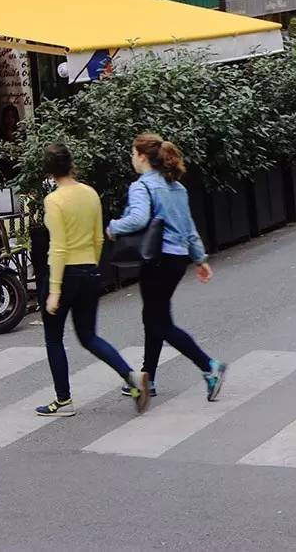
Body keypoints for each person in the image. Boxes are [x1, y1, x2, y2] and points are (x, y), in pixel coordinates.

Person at [107, 134, 227, 401]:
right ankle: (147, 378)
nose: (131, 159)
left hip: (158, 259)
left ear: (142, 157)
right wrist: (200, 259)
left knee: (159, 322)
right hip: (177, 260)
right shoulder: (176, 187)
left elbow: (137, 218)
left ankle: (209, 366)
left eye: (132, 153)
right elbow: (189, 227)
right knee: (155, 318)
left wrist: (113, 227)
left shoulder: (142, 186)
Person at [36, 144, 149, 417]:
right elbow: (98, 237)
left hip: (63, 274)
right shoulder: (89, 194)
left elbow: (59, 247)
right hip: (89, 270)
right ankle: (131, 377)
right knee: (88, 336)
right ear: (71, 164)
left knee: (53, 337)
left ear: (49, 171)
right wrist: (93, 267)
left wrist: (54, 291)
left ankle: (63, 401)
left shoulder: (54, 200)